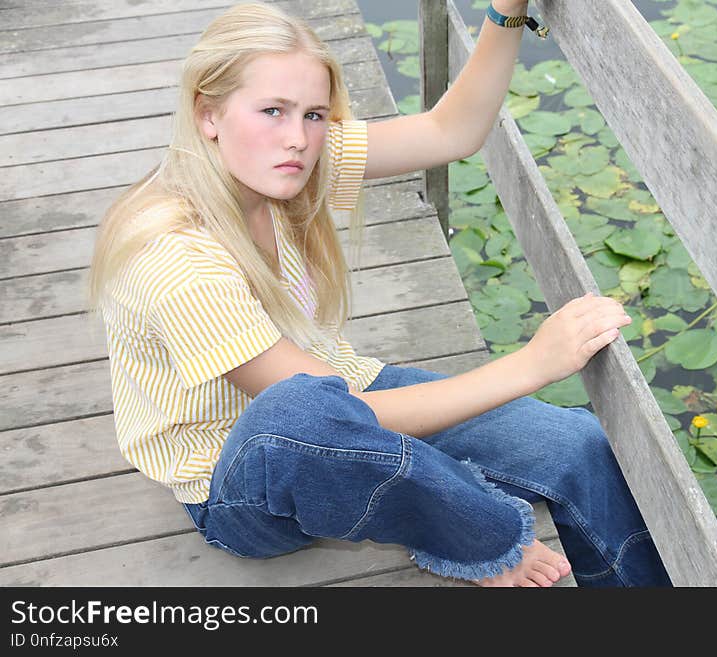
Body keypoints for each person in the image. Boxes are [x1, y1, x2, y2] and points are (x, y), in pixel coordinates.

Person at [87, 0, 672, 587]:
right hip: (240, 487)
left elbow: (452, 130)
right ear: (207, 114)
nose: (297, 137)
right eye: (272, 110)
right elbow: (321, 418)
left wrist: (505, 12)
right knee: (300, 408)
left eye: (314, 114)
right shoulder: (176, 258)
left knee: (576, 443)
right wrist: (534, 364)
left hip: (343, 393)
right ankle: (479, 535)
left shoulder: (289, 161)